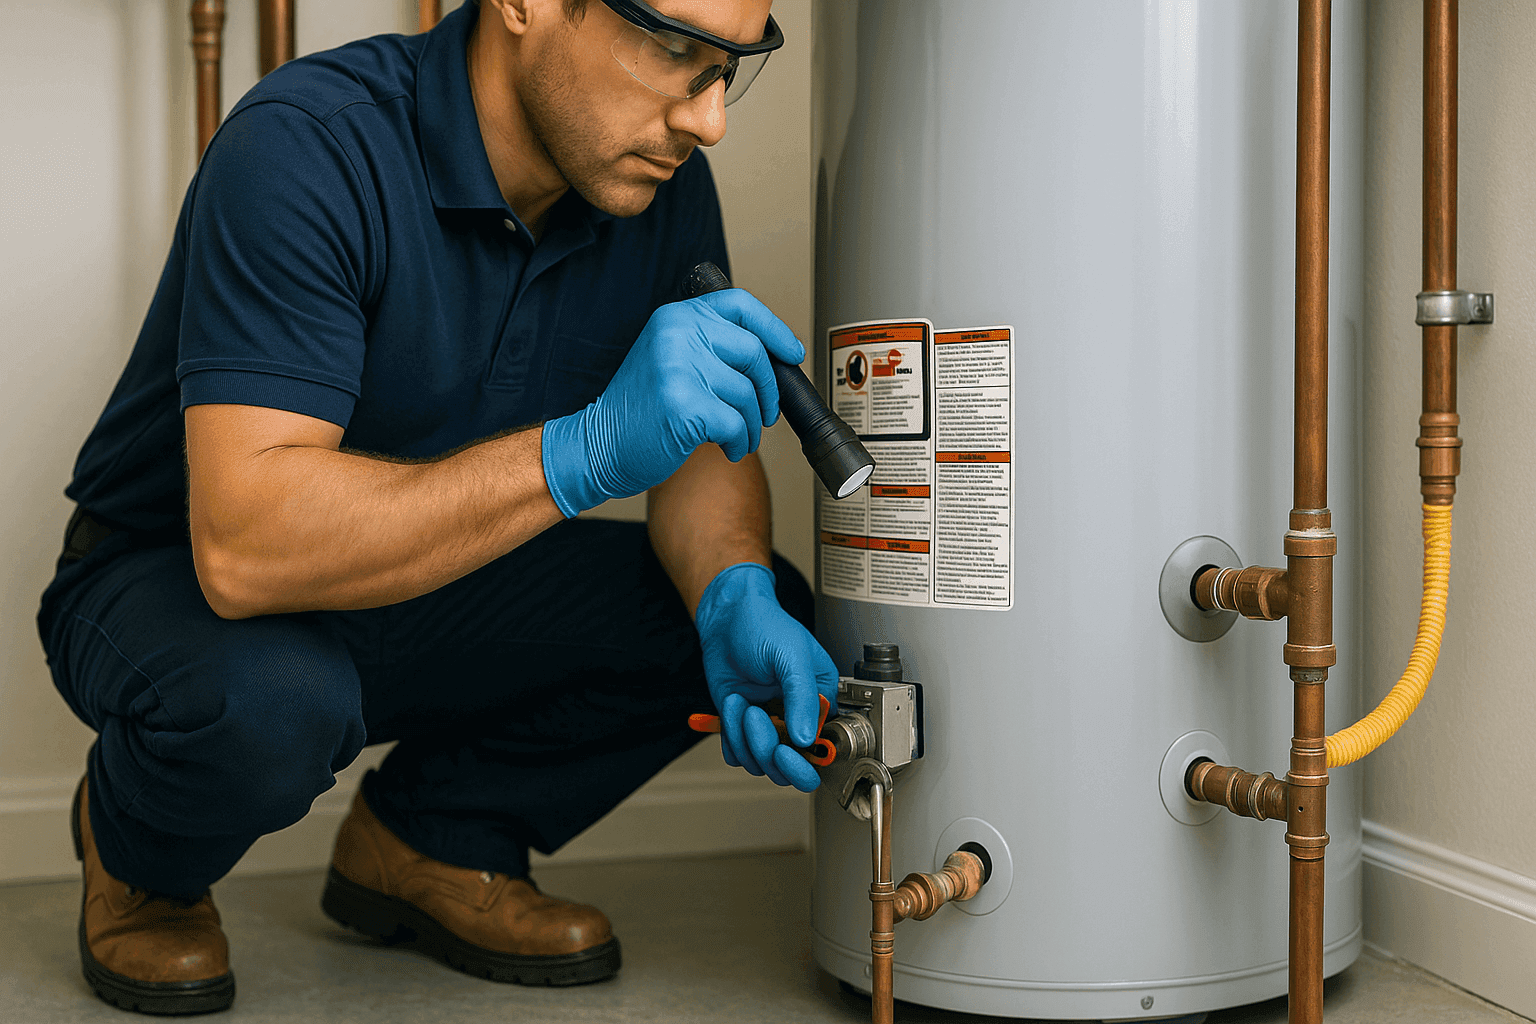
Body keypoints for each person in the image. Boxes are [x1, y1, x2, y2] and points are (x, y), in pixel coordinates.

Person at [36, 0, 837, 1015]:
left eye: (729, 68)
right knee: (273, 703)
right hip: (177, 578)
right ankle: (140, 855)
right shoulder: (307, 145)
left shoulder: (651, 176)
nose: (708, 120)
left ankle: (433, 835)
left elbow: (695, 441)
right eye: (675, 50)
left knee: (755, 603)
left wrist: (732, 594)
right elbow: (244, 549)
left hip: (444, 573)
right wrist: (583, 452)